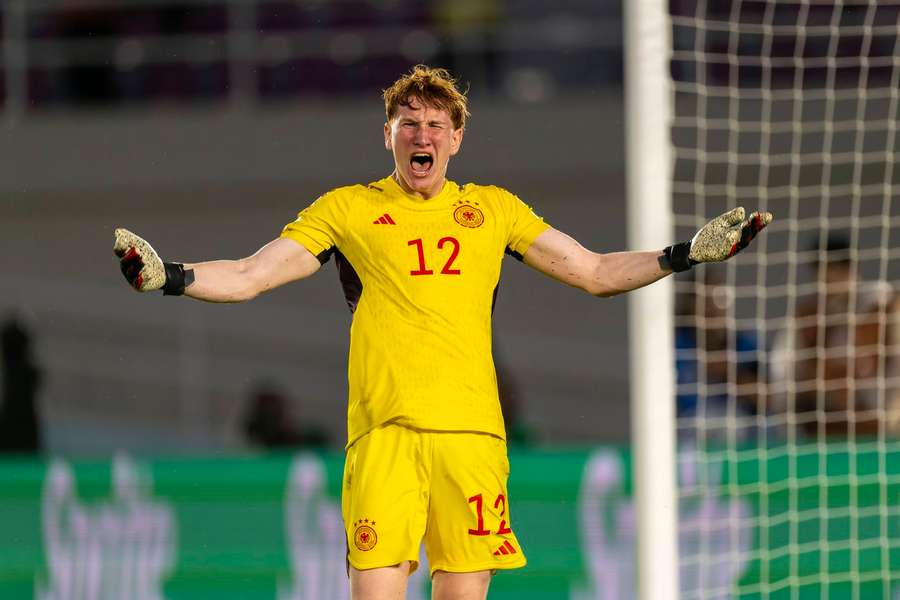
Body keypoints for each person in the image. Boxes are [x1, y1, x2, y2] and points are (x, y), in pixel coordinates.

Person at [113, 65, 771, 600]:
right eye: (409, 124)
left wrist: (683, 254)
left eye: (435, 124)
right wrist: (167, 276)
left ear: (455, 139)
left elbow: (594, 271)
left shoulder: (493, 209)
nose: (421, 134)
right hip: (385, 437)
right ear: (388, 135)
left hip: (471, 437)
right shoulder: (348, 209)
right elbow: (252, 274)